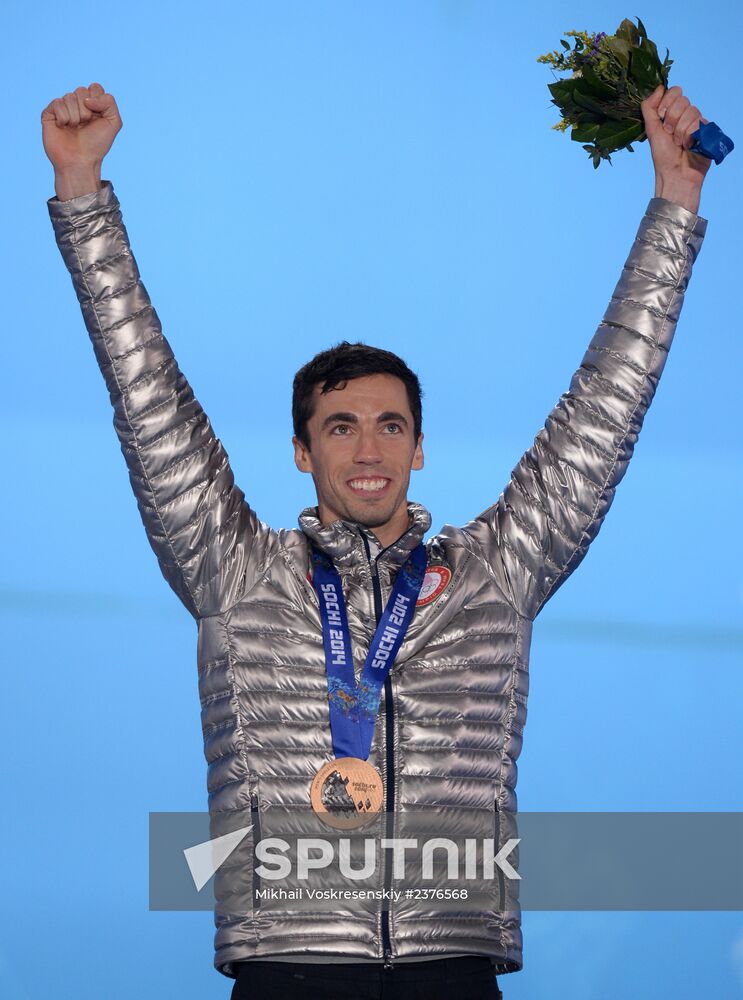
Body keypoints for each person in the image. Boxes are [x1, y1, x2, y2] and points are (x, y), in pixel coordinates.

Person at [42, 81, 711, 999]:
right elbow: (146, 393)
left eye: (391, 426)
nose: (368, 448)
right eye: (341, 425)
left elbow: (606, 407)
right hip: (289, 964)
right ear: (300, 450)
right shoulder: (234, 571)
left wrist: (675, 202)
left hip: (452, 962)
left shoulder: (494, 574)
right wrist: (81, 190)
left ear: (421, 447)